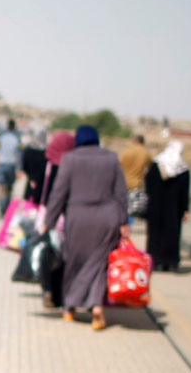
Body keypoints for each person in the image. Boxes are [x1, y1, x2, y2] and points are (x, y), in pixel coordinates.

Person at [38, 125, 129, 330]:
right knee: (99, 264)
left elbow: (59, 193)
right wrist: (123, 221)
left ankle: (69, 307)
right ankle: (96, 305)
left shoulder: (70, 159)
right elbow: (121, 194)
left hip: (78, 218)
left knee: (75, 263)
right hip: (107, 219)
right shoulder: (112, 158)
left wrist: (49, 221)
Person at [38, 130, 75, 309]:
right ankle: (61, 295)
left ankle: (47, 289)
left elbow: (41, 192)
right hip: (69, 217)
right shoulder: (74, 165)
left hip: (50, 216)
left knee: (49, 253)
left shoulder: (49, 165)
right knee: (64, 257)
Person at [144, 139, 191, 271]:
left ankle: (155, 261)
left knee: (155, 234)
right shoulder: (183, 169)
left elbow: (148, 186)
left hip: (155, 207)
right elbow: (185, 192)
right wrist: (185, 209)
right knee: (172, 235)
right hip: (174, 210)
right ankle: (170, 262)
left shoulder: (156, 165)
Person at [0, 119, 22, 216]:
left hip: (1, 165)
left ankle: (2, 208)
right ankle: (6, 208)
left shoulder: (1, 137)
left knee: (1, 189)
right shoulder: (17, 138)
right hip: (11, 167)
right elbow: (20, 154)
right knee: (9, 189)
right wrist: (19, 169)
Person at [118, 135, 152, 222]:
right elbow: (150, 168)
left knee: (123, 209)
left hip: (123, 183)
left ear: (135, 141)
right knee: (132, 210)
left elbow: (118, 165)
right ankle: (128, 227)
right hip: (136, 185)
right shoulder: (145, 152)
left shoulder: (126, 151)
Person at [20, 132, 49, 204]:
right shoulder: (47, 152)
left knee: (29, 206)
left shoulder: (28, 150)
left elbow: (24, 166)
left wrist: (31, 176)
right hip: (43, 184)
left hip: (30, 181)